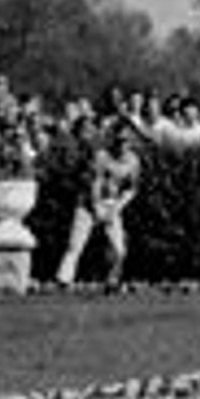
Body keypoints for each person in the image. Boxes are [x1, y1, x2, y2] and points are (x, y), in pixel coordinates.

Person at [57, 121, 143, 289]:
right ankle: (63, 280)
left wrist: (117, 208)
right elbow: (94, 183)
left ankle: (112, 281)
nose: (122, 145)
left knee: (119, 248)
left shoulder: (133, 161)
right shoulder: (101, 156)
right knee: (75, 244)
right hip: (88, 203)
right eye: (119, 141)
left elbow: (132, 189)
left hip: (112, 204)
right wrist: (96, 207)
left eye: (126, 141)